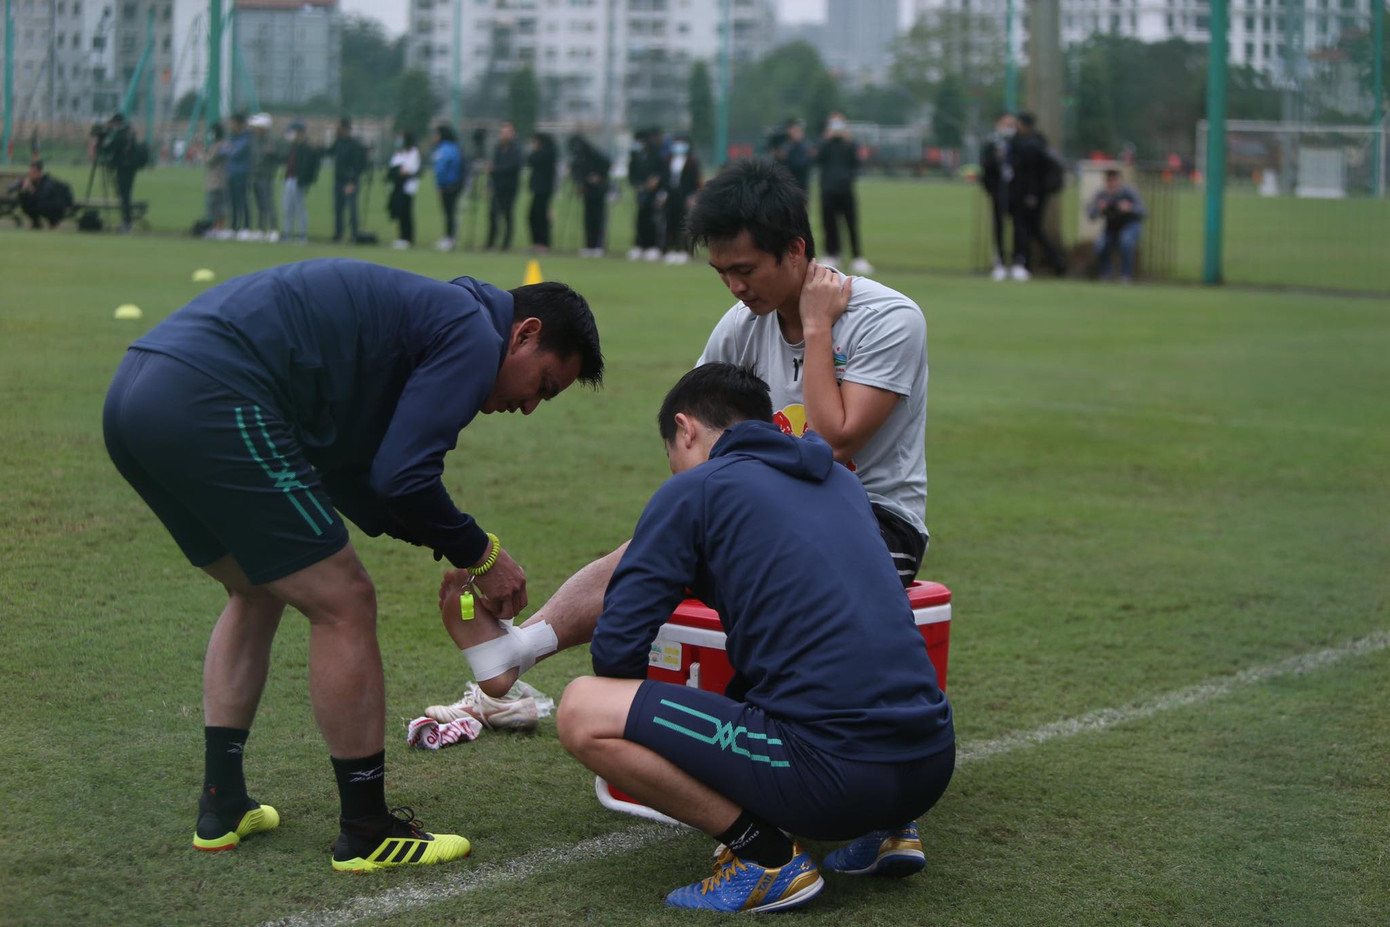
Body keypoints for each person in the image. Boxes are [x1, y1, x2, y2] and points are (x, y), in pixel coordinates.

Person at [428, 160, 933, 812]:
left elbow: (833, 442)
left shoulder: (888, 319)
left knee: (679, 552)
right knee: (657, 540)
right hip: (777, 513)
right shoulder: (739, 327)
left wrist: (815, 327)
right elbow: (692, 424)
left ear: (797, 250)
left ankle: (730, 756)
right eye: (721, 271)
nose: (733, 286)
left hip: (869, 518)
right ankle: (517, 651)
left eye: (745, 269)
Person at [103, 259, 604, 872]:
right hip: (213, 395)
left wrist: (457, 546)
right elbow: (401, 478)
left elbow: (357, 477)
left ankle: (223, 804)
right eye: (543, 385)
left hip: (137, 391)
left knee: (258, 590)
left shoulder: (430, 321)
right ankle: (367, 828)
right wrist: (483, 553)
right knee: (345, 600)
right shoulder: (474, 333)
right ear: (524, 334)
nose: (529, 406)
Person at [552, 363, 954, 912]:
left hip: (836, 773)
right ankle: (890, 831)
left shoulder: (694, 490)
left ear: (686, 429)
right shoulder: (840, 480)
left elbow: (617, 650)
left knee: (583, 708)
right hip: (930, 763)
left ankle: (765, 858)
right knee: (811, 674)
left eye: (670, 454)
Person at [1009, 112, 1067, 280]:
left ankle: (1040, 261)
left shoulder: (1030, 145)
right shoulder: (1038, 142)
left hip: (1029, 194)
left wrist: (1031, 194)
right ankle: (1051, 261)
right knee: (1030, 229)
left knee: (1027, 229)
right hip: (1033, 194)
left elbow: (1032, 173)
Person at [816, 112, 874, 274]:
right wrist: (825, 139)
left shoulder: (850, 144)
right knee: (829, 224)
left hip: (846, 190)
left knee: (851, 224)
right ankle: (831, 253)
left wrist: (849, 141)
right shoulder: (825, 144)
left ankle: (857, 256)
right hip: (828, 189)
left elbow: (856, 163)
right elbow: (818, 159)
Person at [978, 112, 1017, 282]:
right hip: (998, 191)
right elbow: (986, 168)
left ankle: (1018, 262)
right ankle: (999, 261)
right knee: (999, 226)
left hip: (1017, 192)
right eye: (1006, 123)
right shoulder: (991, 143)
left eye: (1012, 124)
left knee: (1018, 227)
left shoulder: (1017, 143)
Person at [1088, 168, 1145, 283]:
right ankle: (1106, 273)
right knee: (1100, 245)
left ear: (1119, 181)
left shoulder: (1128, 192)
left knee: (1126, 241)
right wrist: (1098, 209)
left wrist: (1130, 208)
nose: (1112, 183)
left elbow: (1143, 211)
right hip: (1112, 228)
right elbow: (1091, 214)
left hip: (1130, 225)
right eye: (1109, 180)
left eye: (1114, 180)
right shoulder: (1102, 194)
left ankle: (1126, 275)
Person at [96, 112, 142, 233]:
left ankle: (126, 223)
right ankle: (127, 221)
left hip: (123, 169)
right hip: (129, 169)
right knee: (126, 195)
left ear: (116, 123)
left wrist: (102, 138)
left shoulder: (120, 136)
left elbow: (107, 149)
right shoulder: (130, 133)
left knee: (124, 195)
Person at [660, 134, 702, 265]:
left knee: (683, 224)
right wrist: (663, 194)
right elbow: (665, 179)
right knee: (670, 222)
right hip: (671, 195)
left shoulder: (692, 162)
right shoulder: (668, 160)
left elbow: (695, 181)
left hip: (685, 196)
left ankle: (684, 251)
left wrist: (692, 197)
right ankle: (670, 249)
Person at [568, 134, 611, 258]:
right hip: (587, 190)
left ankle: (598, 246)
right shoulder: (578, 157)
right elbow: (576, 172)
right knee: (588, 219)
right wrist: (579, 183)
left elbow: (606, 165)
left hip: (599, 190)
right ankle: (589, 245)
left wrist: (599, 176)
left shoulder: (595, 154)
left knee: (598, 218)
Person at [627, 128, 665, 261]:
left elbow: (663, 173)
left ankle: (653, 246)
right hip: (641, 193)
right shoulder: (635, 157)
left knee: (653, 220)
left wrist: (656, 180)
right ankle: (639, 245)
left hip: (654, 194)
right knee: (640, 220)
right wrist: (637, 184)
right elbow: (631, 175)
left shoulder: (657, 156)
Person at [329, 117, 367, 243]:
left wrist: (352, 181)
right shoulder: (338, 142)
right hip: (338, 180)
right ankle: (338, 234)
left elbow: (358, 165)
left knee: (352, 209)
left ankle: (354, 234)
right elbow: (329, 152)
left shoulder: (354, 145)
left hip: (350, 181)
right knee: (338, 208)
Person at [280, 120, 319, 244]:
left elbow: (310, 166)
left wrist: (305, 180)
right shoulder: (293, 147)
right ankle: (287, 232)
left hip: (298, 181)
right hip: (289, 179)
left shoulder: (307, 148)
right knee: (287, 207)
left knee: (299, 207)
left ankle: (302, 234)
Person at [486, 121, 523, 251]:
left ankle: (506, 244)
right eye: (503, 132)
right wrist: (489, 183)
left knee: (507, 214)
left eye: (508, 132)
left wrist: (496, 169)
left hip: (509, 187)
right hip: (497, 186)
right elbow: (493, 167)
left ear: (513, 134)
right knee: (492, 213)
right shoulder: (498, 148)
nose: (505, 135)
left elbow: (513, 166)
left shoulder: (516, 149)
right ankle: (490, 242)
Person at [12, 159, 74, 228]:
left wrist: (30, 189)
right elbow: (27, 198)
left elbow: (41, 197)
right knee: (25, 202)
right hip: (47, 205)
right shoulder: (36, 182)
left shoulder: (48, 183)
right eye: (30, 172)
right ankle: (36, 222)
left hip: (57, 207)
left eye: (34, 172)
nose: (31, 174)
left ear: (40, 172)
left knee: (40, 204)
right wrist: (23, 190)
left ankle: (54, 222)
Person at [432, 123, 465, 251]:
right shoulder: (455, 148)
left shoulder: (444, 149)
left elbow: (440, 168)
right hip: (455, 184)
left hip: (447, 185)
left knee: (448, 212)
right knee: (451, 212)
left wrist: (439, 185)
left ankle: (449, 238)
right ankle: (450, 237)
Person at [387, 130, 422, 250]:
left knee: (406, 212)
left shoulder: (414, 153)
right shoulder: (399, 153)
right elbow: (393, 167)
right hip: (397, 186)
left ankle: (408, 237)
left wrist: (401, 171)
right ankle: (401, 236)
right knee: (399, 212)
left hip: (408, 187)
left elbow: (409, 170)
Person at [248, 113, 279, 241]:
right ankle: (261, 229)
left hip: (266, 176)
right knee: (259, 204)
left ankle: (273, 229)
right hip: (255, 176)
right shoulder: (255, 141)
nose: (255, 130)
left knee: (268, 203)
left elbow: (277, 157)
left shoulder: (270, 141)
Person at [526, 132, 558, 252]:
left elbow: (531, 158)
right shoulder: (544, 153)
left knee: (541, 217)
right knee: (533, 216)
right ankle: (537, 242)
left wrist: (534, 150)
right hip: (538, 191)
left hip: (544, 191)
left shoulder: (547, 154)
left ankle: (543, 243)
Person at [225, 112, 253, 237]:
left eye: (233, 123)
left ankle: (246, 226)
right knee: (233, 201)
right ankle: (234, 226)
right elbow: (224, 150)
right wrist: (229, 149)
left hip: (241, 173)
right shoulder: (232, 138)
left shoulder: (246, 139)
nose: (231, 126)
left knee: (242, 200)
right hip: (231, 172)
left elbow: (236, 152)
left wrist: (230, 149)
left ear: (240, 124)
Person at [202, 124, 229, 237]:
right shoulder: (221, 145)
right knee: (216, 205)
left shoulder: (218, 146)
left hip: (217, 179)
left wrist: (202, 153)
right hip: (217, 179)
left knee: (217, 205)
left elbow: (209, 159)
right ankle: (216, 227)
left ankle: (218, 227)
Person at [774, 119, 813, 192]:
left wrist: (787, 157)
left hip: (801, 185)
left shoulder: (806, 146)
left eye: (797, 131)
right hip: (787, 184)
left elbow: (803, 164)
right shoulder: (785, 146)